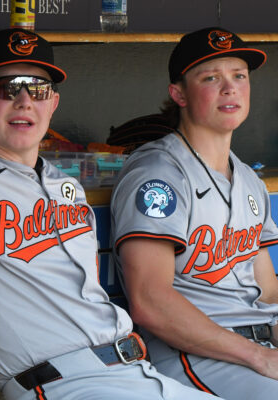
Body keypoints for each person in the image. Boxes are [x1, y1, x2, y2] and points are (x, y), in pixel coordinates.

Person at [0, 28, 220, 400]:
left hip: (136, 372)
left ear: (53, 104)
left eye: (37, 89)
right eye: (6, 88)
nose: (24, 101)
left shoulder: (62, 185)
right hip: (64, 384)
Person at [110, 26, 278, 399]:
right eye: (211, 78)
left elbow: (267, 291)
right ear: (179, 94)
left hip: (257, 347)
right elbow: (150, 301)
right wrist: (259, 358)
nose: (230, 88)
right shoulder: (158, 175)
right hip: (194, 354)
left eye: (239, 76)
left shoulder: (249, 178)